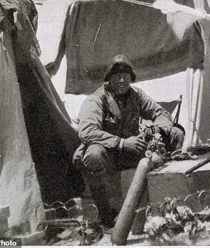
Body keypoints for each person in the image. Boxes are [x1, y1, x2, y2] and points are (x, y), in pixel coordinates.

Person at [73, 54, 184, 228]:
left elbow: (161, 114)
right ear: (109, 79)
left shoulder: (136, 95)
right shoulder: (95, 100)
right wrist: (122, 143)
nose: (122, 80)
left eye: (126, 76)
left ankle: (171, 202)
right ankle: (105, 215)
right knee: (93, 154)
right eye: (117, 76)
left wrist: (157, 129)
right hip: (108, 156)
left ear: (131, 78)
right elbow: (87, 132)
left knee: (175, 133)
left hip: (132, 152)